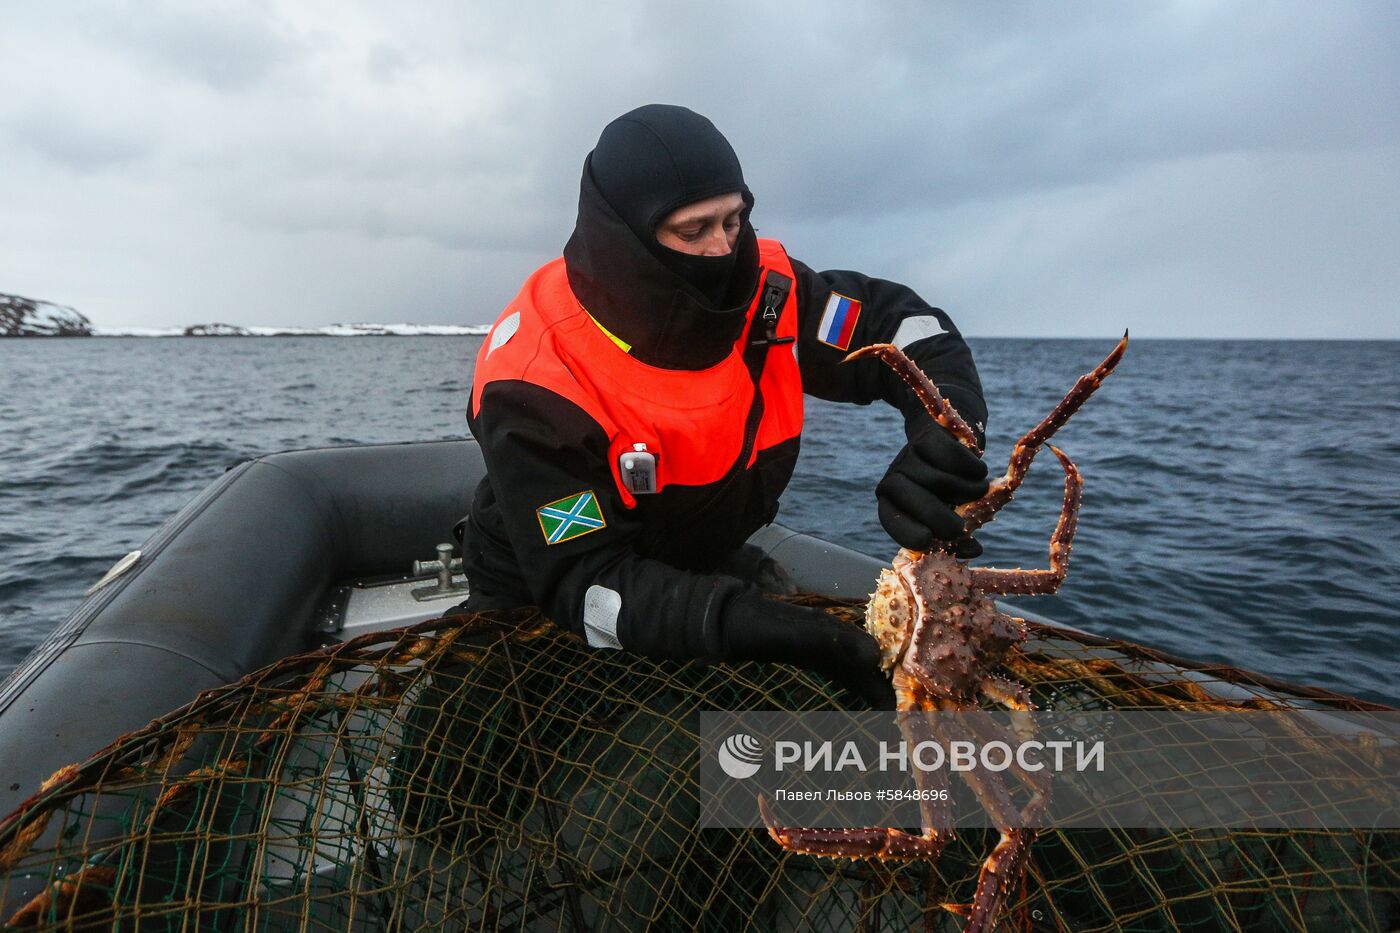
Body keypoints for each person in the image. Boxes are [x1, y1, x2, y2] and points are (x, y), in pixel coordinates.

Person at [461, 105, 988, 708]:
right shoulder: (535, 382)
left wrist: (948, 427)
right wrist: (746, 623)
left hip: (702, 560)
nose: (723, 250)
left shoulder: (772, 293)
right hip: (541, 601)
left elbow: (908, 330)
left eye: (735, 220)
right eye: (693, 232)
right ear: (625, 234)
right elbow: (588, 587)